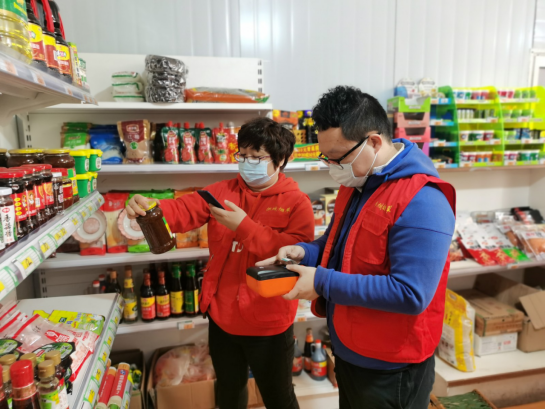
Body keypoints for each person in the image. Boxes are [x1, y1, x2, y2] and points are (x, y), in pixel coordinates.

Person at [259, 86, 456, 409]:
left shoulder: (423, 200)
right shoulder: (358, 183)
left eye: (339, 157)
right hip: (350, 351)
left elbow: (411, 293)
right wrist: (304, 252)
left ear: (374, 142)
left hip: (392, 368)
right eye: (327, 157)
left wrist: (321, 281)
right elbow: (336, 244)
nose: (333, 166)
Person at [126, 117, 314, 409]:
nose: (247, 163)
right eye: (243, 155)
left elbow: (296, 253)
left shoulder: (297, 203)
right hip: (222, 318)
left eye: (257, 157)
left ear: (280, 161)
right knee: (228, 391)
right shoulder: (222, 193)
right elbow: (183, 209)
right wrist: (151, 207)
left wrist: (245, 227)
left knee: (279, 396)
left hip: (269, 324)